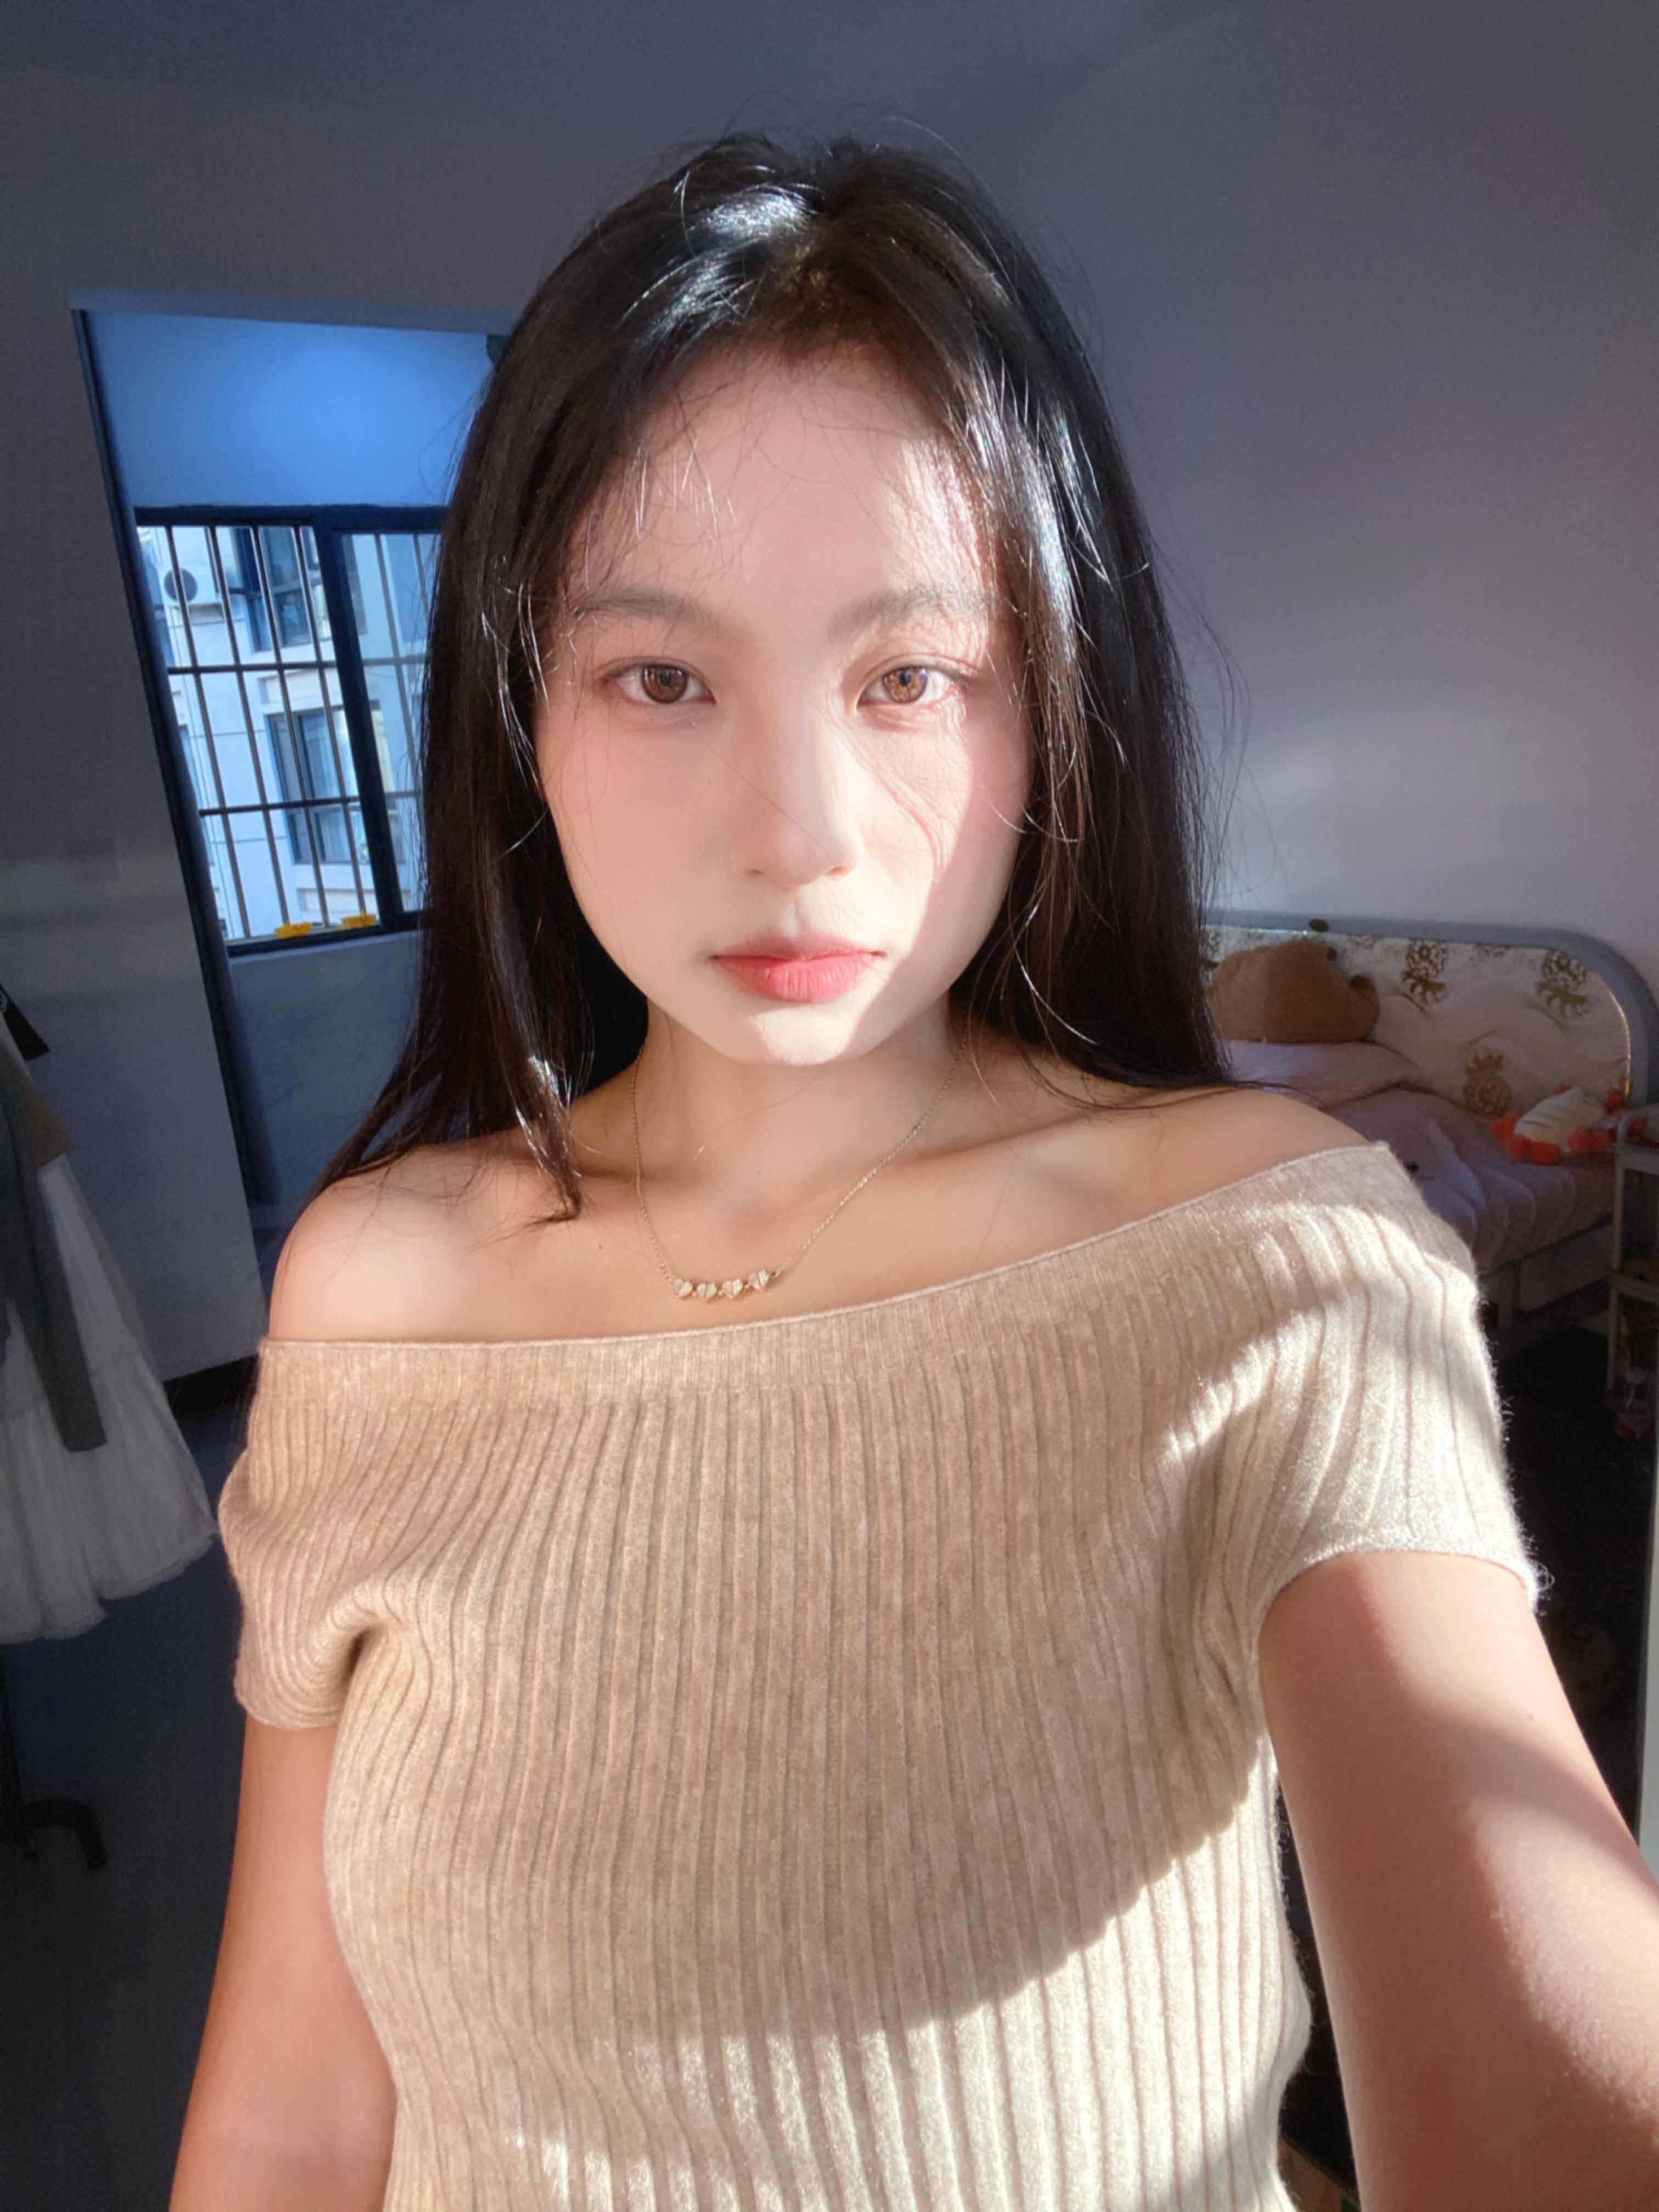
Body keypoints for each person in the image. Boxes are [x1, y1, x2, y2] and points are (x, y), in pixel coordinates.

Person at [172, 132, 1659, 2212]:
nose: (798, 830)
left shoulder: (1274, 1263)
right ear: (523, 722)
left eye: (909, 679)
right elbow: (291, 2119)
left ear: (1049, 716)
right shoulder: (376, 1293)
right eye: (664, 679)